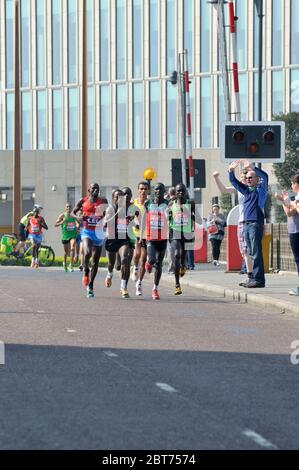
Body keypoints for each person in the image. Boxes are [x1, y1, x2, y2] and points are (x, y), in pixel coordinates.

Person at [229, 160, 268, 288]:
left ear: (257, 179)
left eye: (251, 177)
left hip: (255, 224)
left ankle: (259, 280)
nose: (248, 179)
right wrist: (231, 171)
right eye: (247, 178)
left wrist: (252, 167)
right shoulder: (246, 191)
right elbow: (234, 182)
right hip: (246, 224)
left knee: (256, 252)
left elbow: (265, 176)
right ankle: (253, 278)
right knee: (251, 252)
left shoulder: (260, 190)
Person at [213, 166, 254, 281]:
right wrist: (216, 178)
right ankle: (250, 275)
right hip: (241, 222)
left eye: (244, 178)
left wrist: (249, 167)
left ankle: (254, 274)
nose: (242, 180)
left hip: (252, 221)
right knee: (244, 250)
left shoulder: (253, 189)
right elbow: (224, 190)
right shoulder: (239, 189)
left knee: (252, 250)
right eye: (240, 178)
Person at [72, 183, 107, 298]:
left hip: (99, 232)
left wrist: (105, 218)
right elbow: (72, 213)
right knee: (87, 252)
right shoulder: (83, 201)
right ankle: (86, 271)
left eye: (97, 188)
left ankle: (91, 286)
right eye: (93, 188)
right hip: (87, 231)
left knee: (95, 261)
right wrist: (79, 218)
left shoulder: (103, 201)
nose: (96, 190)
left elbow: (108, 213)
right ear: (89, 190)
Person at [104, 188, 135, 299]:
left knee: (125, 259)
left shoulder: (128, 209)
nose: (120, 199)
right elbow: (105, 223)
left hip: (123, 239)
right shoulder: (110, 209)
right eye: (117, 197)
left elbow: (132, 221)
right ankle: (109, 274)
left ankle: (123, 287)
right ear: (114, 199)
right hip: (112, 239)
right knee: (113, 265)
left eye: (121, 197)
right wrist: (116, 214)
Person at [168, 183, 195, 295]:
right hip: (175, 232)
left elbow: (197, 219)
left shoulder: (191, 203)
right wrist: (168, 215)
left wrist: (187, 213)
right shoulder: (171, 203)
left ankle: (183, 265)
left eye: (182, 191)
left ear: (185, 192)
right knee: (176, 255)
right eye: (178, 191)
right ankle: (177, 284)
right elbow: (168, 219)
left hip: (187, 234)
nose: (180, 193)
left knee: (183, 256)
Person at [144, 182, 169, 300]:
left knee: (159, 264)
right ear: (154, 191)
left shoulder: (167, 204)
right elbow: (144, 218)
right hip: (151, 237)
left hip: (163, 238)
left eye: (161, 189)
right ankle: (148, 262)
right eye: (156, 189)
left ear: (164, 191)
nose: (158, 191)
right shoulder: (148, 203)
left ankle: (155, 288)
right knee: (153, 259)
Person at [275, 174, 299, 296]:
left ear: (297, 184)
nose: (291, 185)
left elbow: (290, 213)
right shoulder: (296, 198)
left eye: (292, 183)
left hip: (296, 230)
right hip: (294, 230)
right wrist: (285, 201)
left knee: (298, 259)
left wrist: (284, 202)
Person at [131, 181, 149, 296]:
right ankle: (135, 268)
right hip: (136, 233)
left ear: (148, 191)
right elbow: (132, 216)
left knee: (144, 259)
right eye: (141, 189)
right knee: (137, 254)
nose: (143, 191)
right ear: (138, 190)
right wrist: (136, 222)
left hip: (147, 234)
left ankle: (139, 283)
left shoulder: (150, 203)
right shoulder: (134, 202)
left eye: (145, 189)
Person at [54, 203, 79, 272]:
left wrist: (77, 226)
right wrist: (62, 222)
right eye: (67, 207)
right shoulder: (62, 215)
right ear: (65, 208)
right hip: (65, 236)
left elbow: (78, 222)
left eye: (70, 207)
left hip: (72, 235)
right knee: (66, 252)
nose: (68, 208)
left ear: (72, 208)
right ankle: (64, 263)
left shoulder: (74, 215)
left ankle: (71, 264)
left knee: (72, 247)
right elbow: (55, 224)